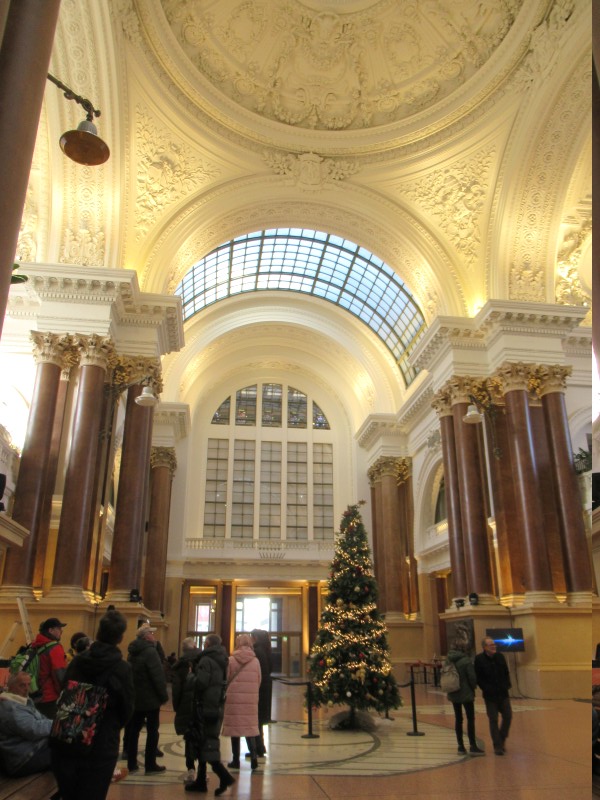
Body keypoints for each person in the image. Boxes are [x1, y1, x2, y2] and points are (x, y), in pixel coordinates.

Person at [49, 609, 134, 800]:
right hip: (101, 745)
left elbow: (64, 691)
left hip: (68, 740)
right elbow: (127, 710)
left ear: (98, 632)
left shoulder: (78, 661)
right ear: (120, 637)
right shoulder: (122, 668)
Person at [185, 633, 235, 795]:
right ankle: (201, 781)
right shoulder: (222, 659)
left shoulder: (206, 660)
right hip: (215, 705)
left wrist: (191, 675)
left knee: (206, 743)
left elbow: (201, 682)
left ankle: (224, 776)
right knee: (204, 742)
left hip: (205, 706)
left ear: (207, 644)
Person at [126, 623, 168, 775]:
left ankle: (131, 763)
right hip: (150, 699)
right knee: (152, 731)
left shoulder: (132, 651)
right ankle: (150, 764)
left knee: (134, 731)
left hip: (136, 698)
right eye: (151, 633)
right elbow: (157, 675)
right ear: (145, 637)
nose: (153, 635)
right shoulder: (150, 652)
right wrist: (163, 696)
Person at [222, 633, 262, 772]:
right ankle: (254, 758)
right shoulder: (255, 661)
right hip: (250, 699)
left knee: (235, 729)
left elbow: (226, 677)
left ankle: (235, 760)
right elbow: (259, 680)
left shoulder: (231, 660)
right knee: (249, 728)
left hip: (234, 699)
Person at [0, 671, 52, 777]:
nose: (27, 688)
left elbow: (42, 719)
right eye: (22, 685)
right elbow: (34, 730)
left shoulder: (21, 701)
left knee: (68, 746)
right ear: (11, 687)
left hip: (32, 749)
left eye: (29, 684)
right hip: (23, 759)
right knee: (68, 754)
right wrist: (58, 724)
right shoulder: (11, 708)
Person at [474, 636, 512, 755]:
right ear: (484, 647)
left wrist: (507, 685)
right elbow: (478, 677)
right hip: (490, 696)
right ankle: (497, 746)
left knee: (508, 716)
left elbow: (506, 672)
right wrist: (486, 688)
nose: (494, 646)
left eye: (494, 644)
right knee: (493, 719)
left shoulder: (500, 657)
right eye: (491, 645)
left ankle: (502, 738)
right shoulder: (479, 659)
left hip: (503, 693)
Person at [445, 639, 484, 755]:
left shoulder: (448, 660)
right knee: (470, 718)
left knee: (458, 719)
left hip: (453, 691)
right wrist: (473, 687)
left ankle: (460, 746)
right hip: (466, 693)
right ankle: (472, 745)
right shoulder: (466, 661)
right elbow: (472, 678)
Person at [172, 636, 201, 784]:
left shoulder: (180, 665)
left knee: (189, 737)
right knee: (201, 736)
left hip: (185, 704)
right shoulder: (202, 661)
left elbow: (176, 689)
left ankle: (190, 769)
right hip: (200, 704)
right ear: (194, 646)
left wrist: (177, 707)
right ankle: (202, 771)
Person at [31, 617, 68, 718]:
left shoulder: (35, 645)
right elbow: (59, 674)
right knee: (50, 726)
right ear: (50, 630)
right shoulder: (55, 648)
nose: (61, 631)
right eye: (59, 628)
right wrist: (64, 693)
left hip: (33, 694)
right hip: (49, 696)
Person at [250, 629, 272, 758]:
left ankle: (257, 747)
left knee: (256, 719)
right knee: (258, 719)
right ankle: (259, 746)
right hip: (265, 687)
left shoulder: (257, 651)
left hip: (259, 688)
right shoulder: (266, 650)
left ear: (255, 638)